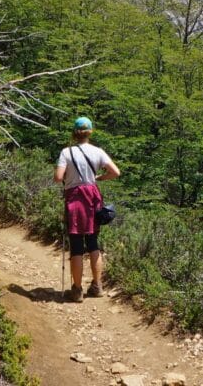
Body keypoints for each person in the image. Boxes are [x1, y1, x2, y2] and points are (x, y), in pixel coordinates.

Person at [54, 116, 120, 302]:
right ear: (90, 132)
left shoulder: (66, 152)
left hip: (74, 198)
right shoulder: (98, 152)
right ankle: (97, 286)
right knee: (93, 243)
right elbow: (115, 172)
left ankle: (76, 291)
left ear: (74, 133)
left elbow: (58, 177)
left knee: (76, 245)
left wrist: (69, 177)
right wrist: (98, 179)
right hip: (92, 197)